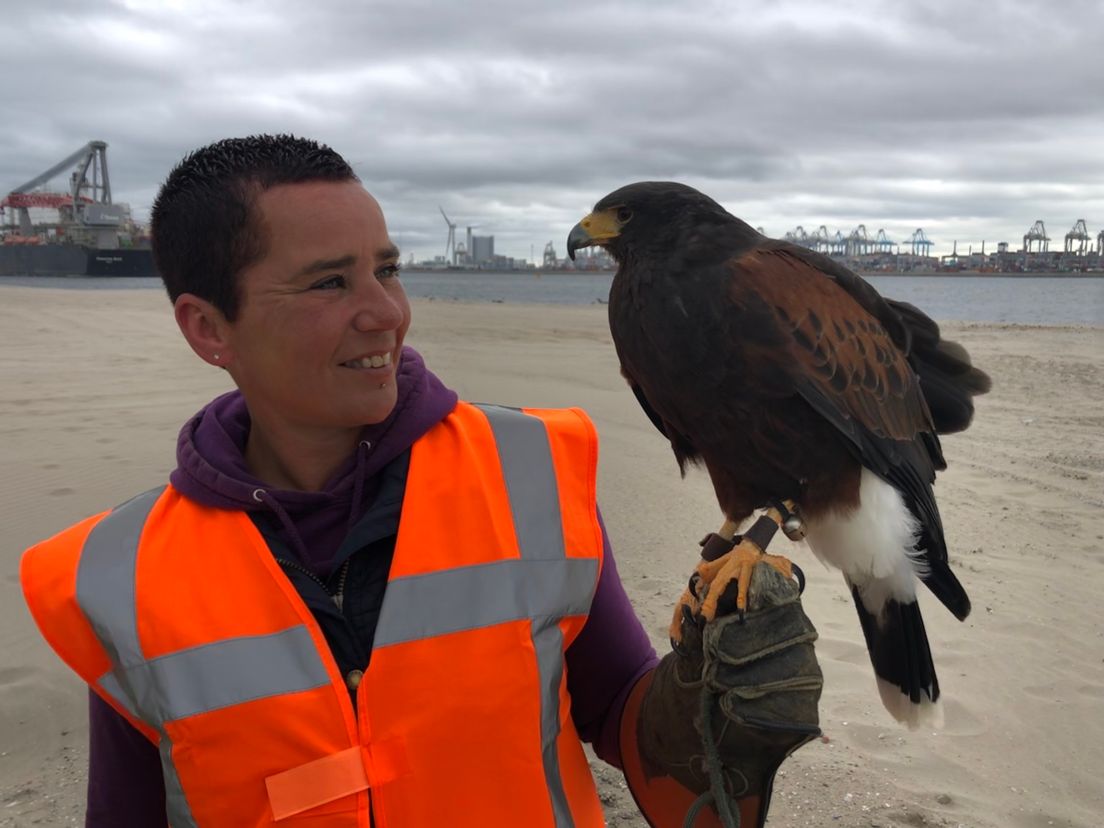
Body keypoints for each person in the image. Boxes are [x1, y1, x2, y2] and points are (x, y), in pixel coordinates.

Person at [20, 135, 822, 827]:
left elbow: (620, 712)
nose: (387, 313)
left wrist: (706, 705)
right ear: (208, 327)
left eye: (388, 269)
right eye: (330, 283)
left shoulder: (530, 476)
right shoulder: (124, 576)